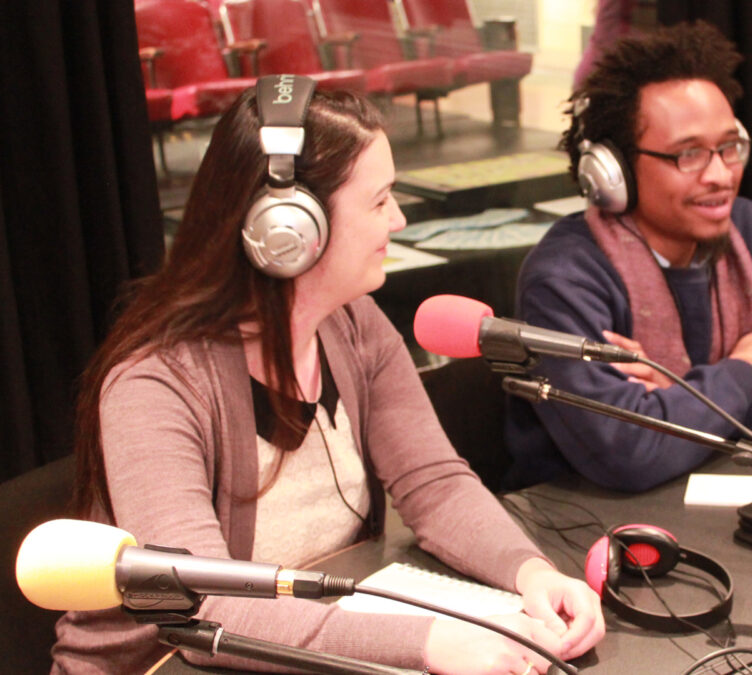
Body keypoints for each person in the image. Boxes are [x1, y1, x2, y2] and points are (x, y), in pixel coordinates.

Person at [53, 78, 603, 674]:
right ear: (287, 229)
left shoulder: (354, 323)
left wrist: (531, 573)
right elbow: (203, 606)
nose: (396, 219)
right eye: (378, 200)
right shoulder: (155, 385)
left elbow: (435, 486)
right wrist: (431, 642)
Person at [505, 22, 752, 493]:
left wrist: (683, 403)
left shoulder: (751, 232)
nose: (721, 175)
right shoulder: (565, 280)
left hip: (712, 494)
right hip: (583, 527)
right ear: (614, 171)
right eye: (688, 155)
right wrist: (747, 371)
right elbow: (628, 451)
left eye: (729, 147)